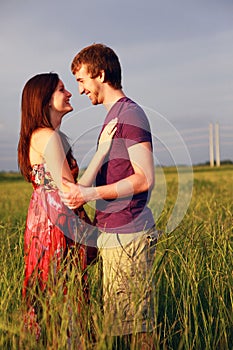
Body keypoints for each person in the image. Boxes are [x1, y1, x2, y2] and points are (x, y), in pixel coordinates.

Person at [61, 43, 159, 349]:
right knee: (124, 329)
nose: (80, 90)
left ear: (100, 74)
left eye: (81, 80)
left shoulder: (129, 114)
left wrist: (89, 192)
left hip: (129, 235)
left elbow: (144, 179)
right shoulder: (114, 116)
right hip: (115, 236)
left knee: (138, 332)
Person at [17, 72, 117, 341]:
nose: (70, 93)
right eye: (62, 89)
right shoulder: (47, 136)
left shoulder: (44, 135)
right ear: (46, 100)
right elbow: (71, 191)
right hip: (54, 224)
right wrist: (102, 151)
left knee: (54, 295)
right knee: (65, 297)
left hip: (45, 218)